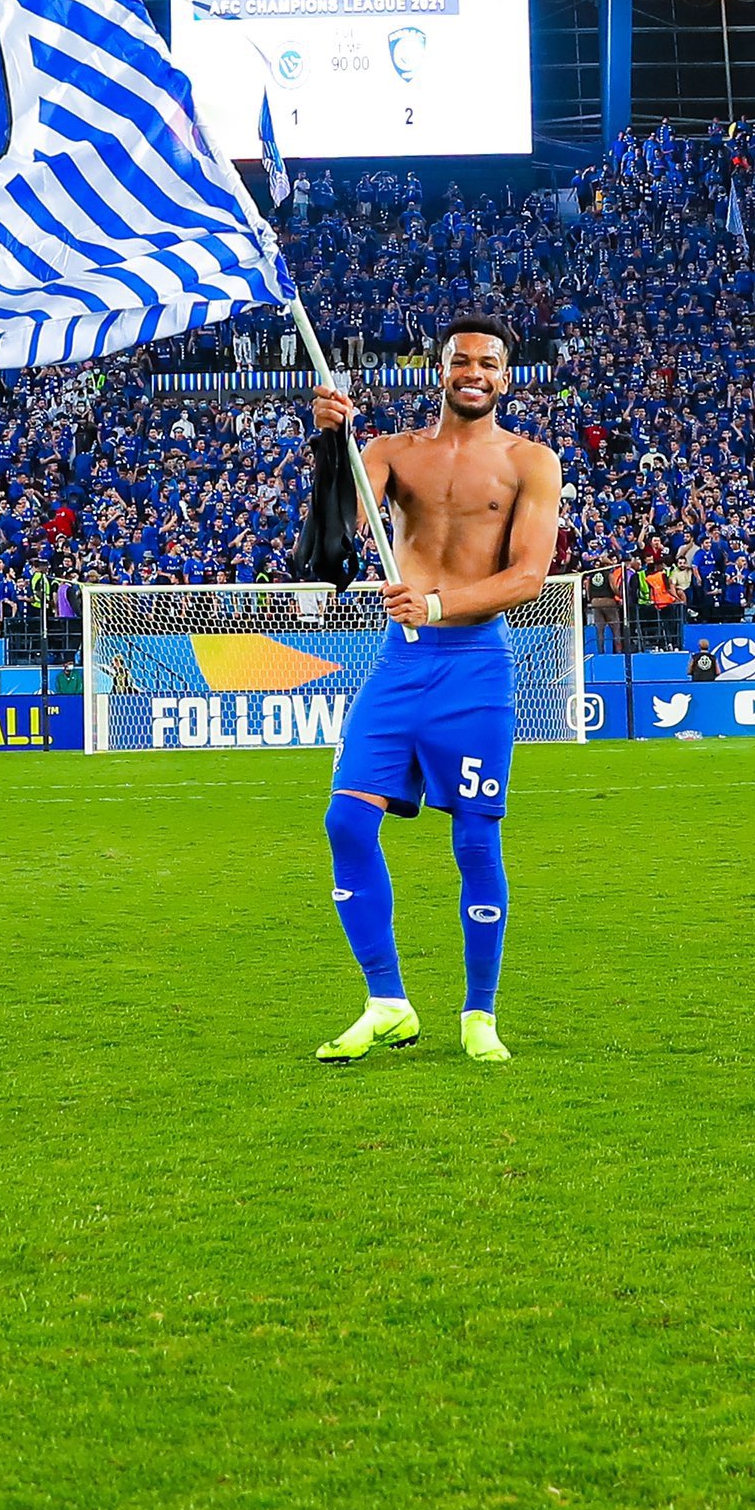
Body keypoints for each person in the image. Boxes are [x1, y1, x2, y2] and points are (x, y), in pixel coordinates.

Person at [305, 318, 562, 1066]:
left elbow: (528, 576)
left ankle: (480, 1012)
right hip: (401, 663)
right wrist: (330, 446)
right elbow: (331, 544)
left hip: (475, 665)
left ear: (505, 377)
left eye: (488, 362)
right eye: (460, 360)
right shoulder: (390, 453)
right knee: (346, 823)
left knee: (476, 839)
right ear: (439, 370)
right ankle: (387, 1003)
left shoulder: (530, 461)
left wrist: (439, 604)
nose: (473, 371)